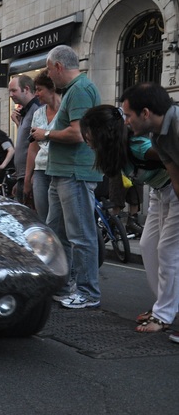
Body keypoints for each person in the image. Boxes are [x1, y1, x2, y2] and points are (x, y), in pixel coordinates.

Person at [80, 104, 172, 333]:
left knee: (168, 251)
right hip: (159, 194)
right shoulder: (117, 151)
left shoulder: (138, 146)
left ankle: (163, 314)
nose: (85, 139)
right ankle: (166, 305)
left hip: (174, 191)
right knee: (148, 245)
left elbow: (171, 154)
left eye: (88, 133)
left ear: (103, 133)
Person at [31, 44, 102, 309]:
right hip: (61, 171)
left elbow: (78, 133)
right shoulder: (74, 90)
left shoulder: (81, 90)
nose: (49, 76)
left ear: (59, 67)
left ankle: (87, 292)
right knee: (57, 234)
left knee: (81, 235)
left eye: (49, 70)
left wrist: (45, 134)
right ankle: (64, 286)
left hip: (74, 172)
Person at [119, 82, 179, 343]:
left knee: (167, 250)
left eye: (128, 115)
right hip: (169, 192)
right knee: (155, 246)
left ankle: (165, 314)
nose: (126, 121)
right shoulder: (157, 135)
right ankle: (165, 310)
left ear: (145, 112)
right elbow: (173, 171)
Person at [26, 70, 61, 222]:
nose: (37, 94)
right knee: (43, 216)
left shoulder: (65, 111)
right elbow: (33, 148)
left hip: (59, 169)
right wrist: (28, 177)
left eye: (40, 89)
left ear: (52, 88)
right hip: (40, 170)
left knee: (58, 219)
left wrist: (46, 133)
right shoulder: (38, 114)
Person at [9, 74, 39, 204]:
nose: (11, 95)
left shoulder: (36, 110)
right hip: (23, 177)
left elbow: (36, 145)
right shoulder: (26, 111)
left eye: (13, 90)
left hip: (30, 177)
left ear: (26, 89)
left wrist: (28, 179)